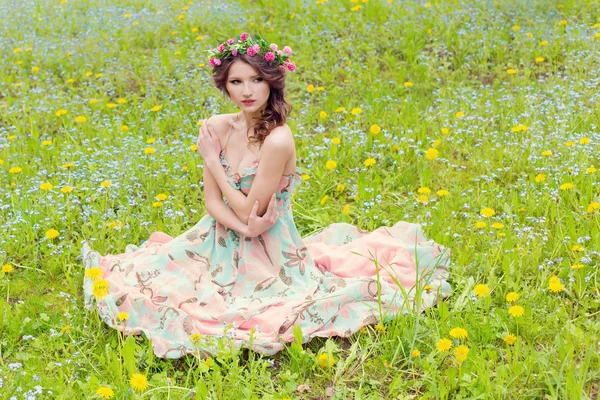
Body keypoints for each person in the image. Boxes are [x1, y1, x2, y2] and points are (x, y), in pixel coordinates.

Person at [81, 32, 452, 359]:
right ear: (224, 87)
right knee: (154, 281)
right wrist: (241, 229)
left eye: (256, 80)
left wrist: (213, 163)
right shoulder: (215, 127)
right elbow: (214, 205)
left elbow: (248, 211)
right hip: (218, 232)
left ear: (271, 83)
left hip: (272, 247)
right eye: (236, 81)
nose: (246, 91)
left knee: (247, 306)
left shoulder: (278, 139)